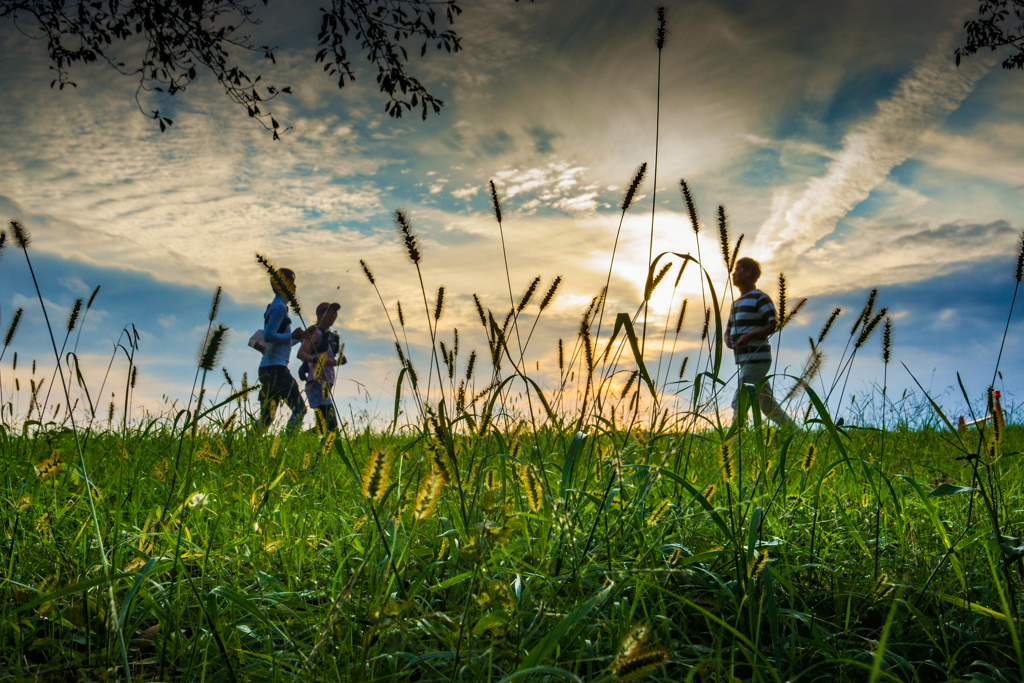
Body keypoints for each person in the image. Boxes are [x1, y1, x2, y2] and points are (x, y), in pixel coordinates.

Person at [723, 257, 794, 427]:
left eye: (737, 270)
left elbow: (773, 324)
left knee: (741, 398)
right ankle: (794, 433)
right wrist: (727, 337)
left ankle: (734, 438)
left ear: (748, 272)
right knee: (767, 405)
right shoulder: (736, 304)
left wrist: (750, 336)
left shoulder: (760, 298)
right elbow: (729, 328)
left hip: (757, 359)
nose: (733, 274)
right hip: (745, 360)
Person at [258, 268, 308, 431]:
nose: (295, 286)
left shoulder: (277, 306)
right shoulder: (279, 308)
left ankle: (241, 446)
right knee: (300, 409)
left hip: (268, 368)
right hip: (276, 370)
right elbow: (268, 336)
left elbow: (278, 341)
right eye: (292, 282)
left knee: (267, 418)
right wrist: (291, 335)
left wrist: (299, 337)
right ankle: (288, 443)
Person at [297, 302, 347, 433]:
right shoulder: (315, 333)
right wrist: (315, 360)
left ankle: (305, 442)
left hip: (326, 383)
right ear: (319, 315)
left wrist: (338, 362)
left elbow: (326, 361)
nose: (332, 315)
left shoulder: (329, 336)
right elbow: (301, 353)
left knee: (326, 426)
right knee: (331, 425)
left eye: (334, 312)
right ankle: (304, 441)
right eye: (328, 312)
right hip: (317, 383)